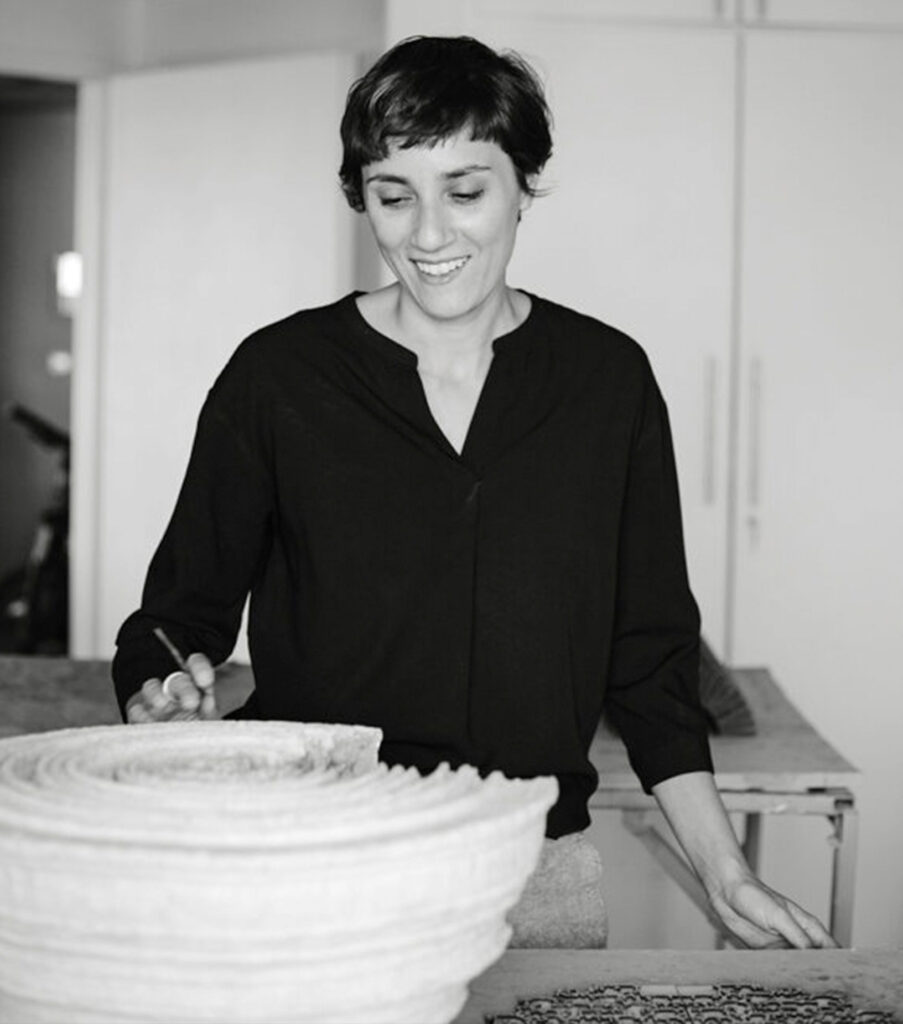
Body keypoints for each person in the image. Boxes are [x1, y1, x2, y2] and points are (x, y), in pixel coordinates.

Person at [113, 35, 834, 951]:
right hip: (307, 862)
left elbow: (649, 659)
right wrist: (160, 684)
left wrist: (725, 875)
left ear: (524, 183)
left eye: (465, 191)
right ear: (361, 199)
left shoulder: (605, 384)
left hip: (531, 879)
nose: (427, 235)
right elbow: (176, 618)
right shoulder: (278, 378)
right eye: (393, 195)